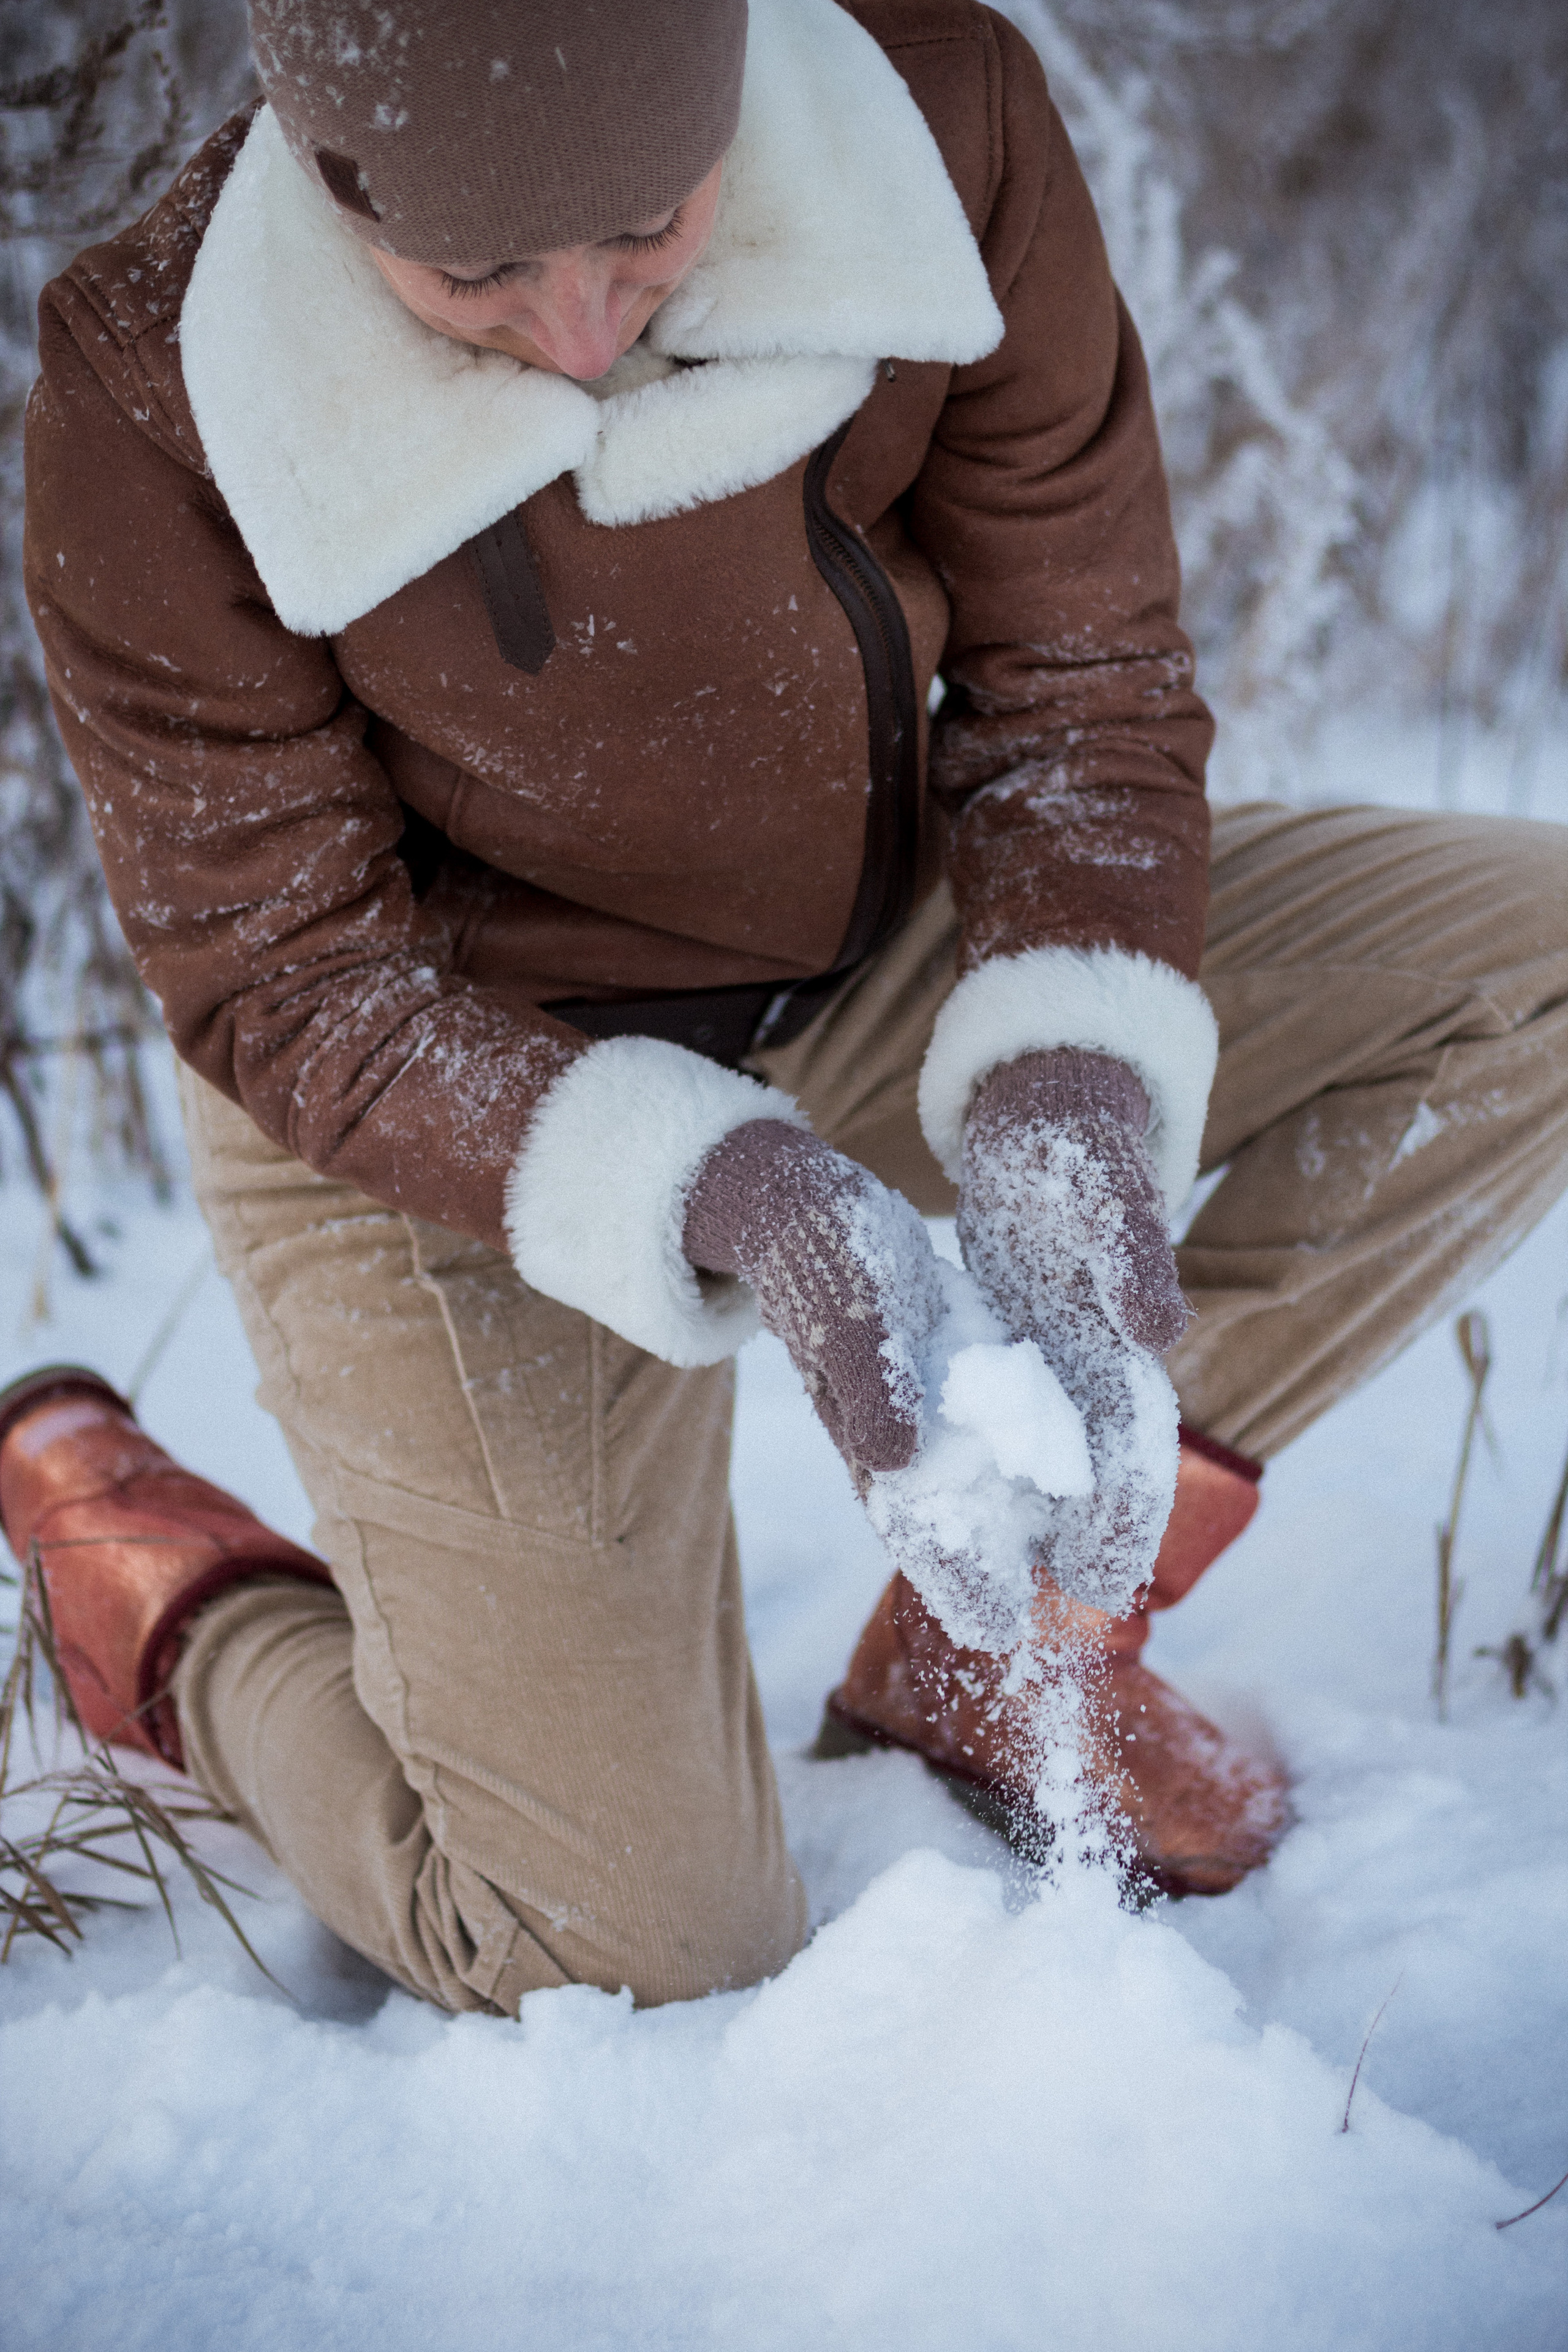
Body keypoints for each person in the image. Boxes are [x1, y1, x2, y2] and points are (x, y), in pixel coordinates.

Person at [9, 0, 1565, 2013]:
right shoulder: (153, 384)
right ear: (328, 178)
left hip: (870, 940)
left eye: (653, 222)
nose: (583, 332)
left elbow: (1081, 688)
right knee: (621, 1961)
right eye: (475, 271)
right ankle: (155, 1596)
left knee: (1537, 976)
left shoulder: (943, 120)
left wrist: (1068, 1095)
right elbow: (293, 981)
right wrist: (739, 1196)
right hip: (448, 1089)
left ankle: (1017, 1629)